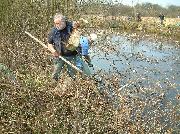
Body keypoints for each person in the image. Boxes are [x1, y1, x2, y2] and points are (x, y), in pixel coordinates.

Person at [47, 13, 79, 81]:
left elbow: (78, 25)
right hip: (59, 56)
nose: (56, 25)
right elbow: (49, 44)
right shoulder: (53, 31)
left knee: (72, 74)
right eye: (55, 23)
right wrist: (53, 51)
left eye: (58, 23)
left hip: (71, 56)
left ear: (64, 22)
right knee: (55, 73)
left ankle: (73, 85)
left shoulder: (71, 26)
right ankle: (53, 84)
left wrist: (77, 25)